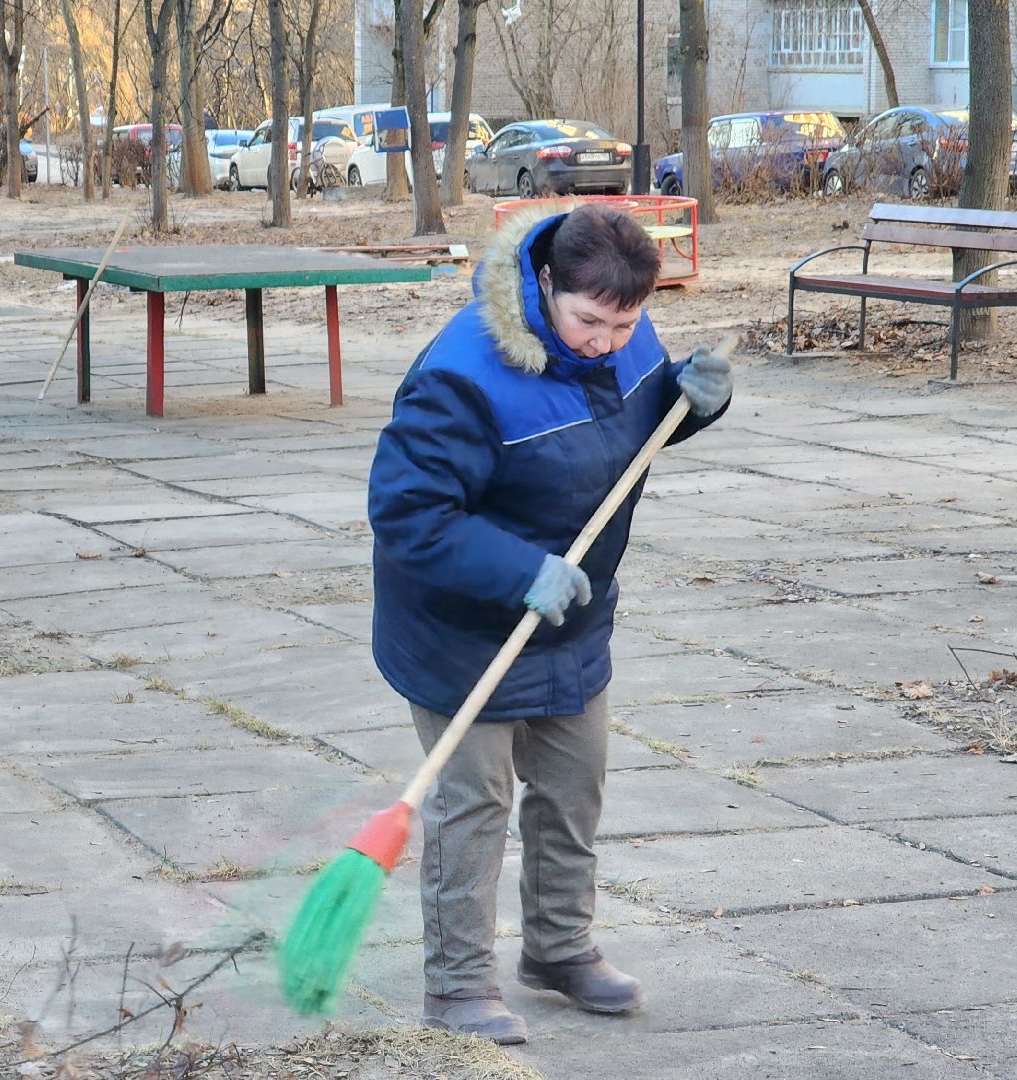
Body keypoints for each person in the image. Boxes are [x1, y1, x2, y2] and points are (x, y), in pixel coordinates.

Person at [367, 205, 734, 1045]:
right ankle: (457, 988)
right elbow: (407, 514)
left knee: (573, 789)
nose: (607, 341)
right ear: (544, 287)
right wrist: (518, 572)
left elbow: (619, 431)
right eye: (588, 322)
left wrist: (689, 399)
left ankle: (558, 950)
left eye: (626, 322)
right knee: (475, 805)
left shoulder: (624, 333)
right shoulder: (463, 374)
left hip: (572, 622)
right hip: (462, 630)